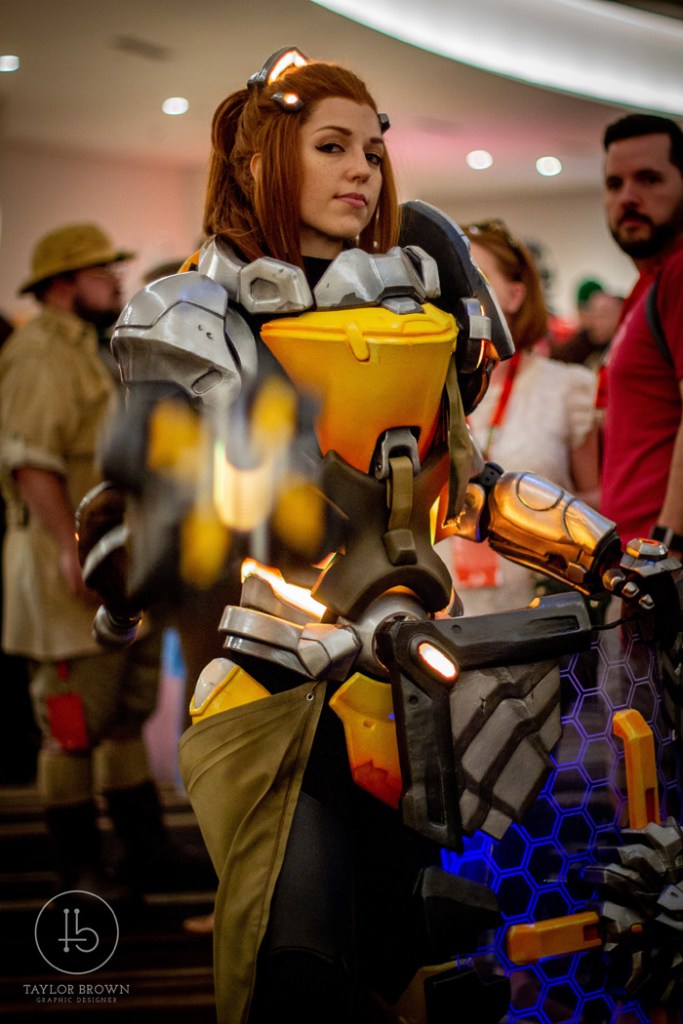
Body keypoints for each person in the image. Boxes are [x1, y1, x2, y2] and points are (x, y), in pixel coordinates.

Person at [77, 50, 683, 1024]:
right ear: (262, 161)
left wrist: (610, 558)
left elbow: (468, 490)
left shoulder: (419, 310)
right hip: (277, 686)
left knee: (418, 970)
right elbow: (163, 513)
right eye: (329, 147)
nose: (360, 169)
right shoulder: (197, 313)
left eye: (369, 148)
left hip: (417, 698)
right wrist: (158, 531)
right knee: (298, 967)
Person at [0, 224, 182, 900]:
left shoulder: (98, 346)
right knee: (72, 722)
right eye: (103, 272)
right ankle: (76, 867)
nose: (116, 282)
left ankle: (144, 848)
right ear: (63, 283)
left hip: (123, 558)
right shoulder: (39, 353)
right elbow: (31, 463)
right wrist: (67, 548)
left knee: (126, 712)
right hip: (73, 569)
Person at [443, 220, 601, 615]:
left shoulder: (566, 388)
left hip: (542, 614)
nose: (458, 291)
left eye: (476, 276)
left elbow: (596, 503)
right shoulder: (430, 390)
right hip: (446, 616)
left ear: (515, 295)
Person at [600, 113, 683, 558]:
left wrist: (669, 543)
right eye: (615, 184)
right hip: (637, 557)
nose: (628, 197)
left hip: (661, 564)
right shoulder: (649, 283)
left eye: (648, 179)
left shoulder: (679, 274)